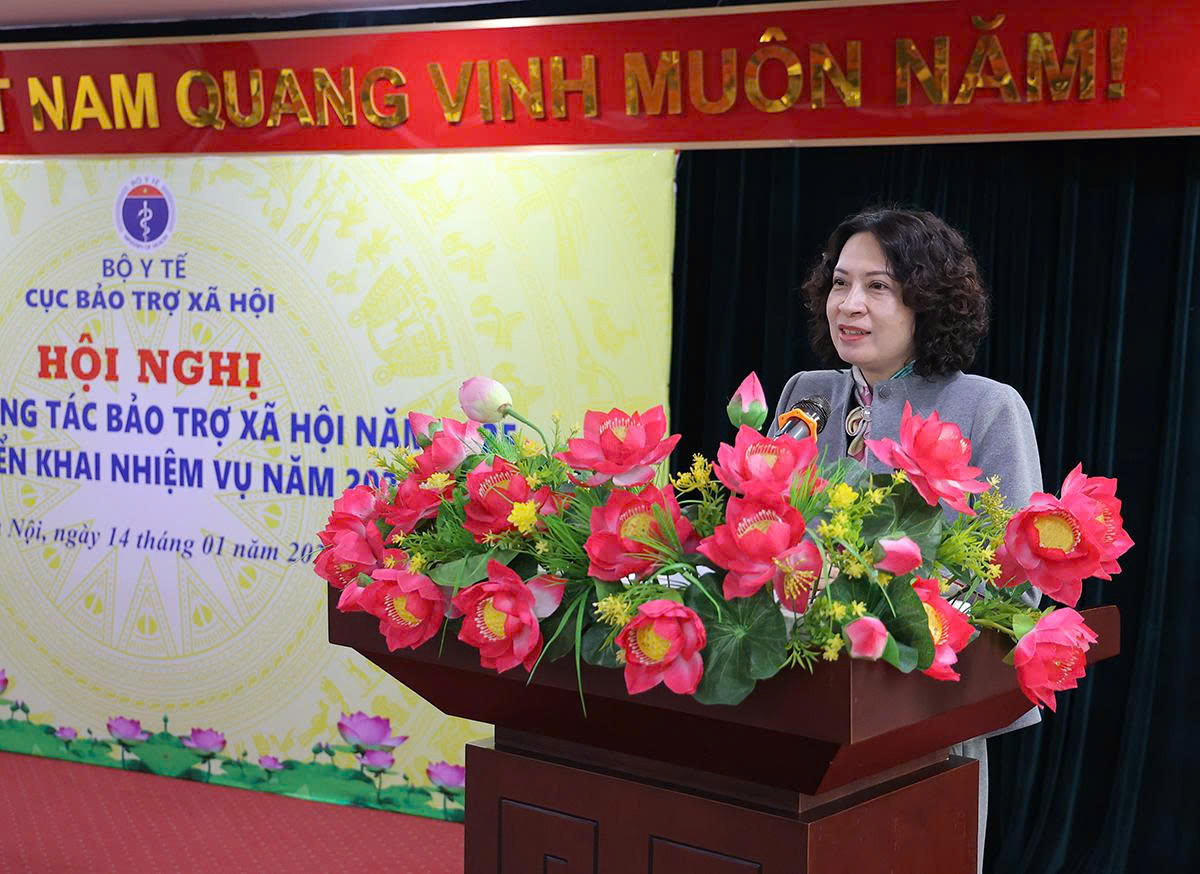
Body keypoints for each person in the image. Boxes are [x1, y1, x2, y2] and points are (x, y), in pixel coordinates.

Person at [769, 206, 1041, 874]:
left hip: (922, 713)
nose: (849, 304)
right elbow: (763, 527)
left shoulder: (986, 407)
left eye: (878, 287)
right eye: (840, 283)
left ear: (927, 300)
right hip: (797, 703)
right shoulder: (807, 394)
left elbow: (1014, 582)